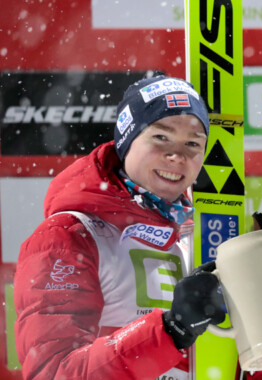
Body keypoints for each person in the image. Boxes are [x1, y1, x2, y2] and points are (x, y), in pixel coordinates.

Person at [14, 75, 227, 380]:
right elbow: (55, 372)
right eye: (160, 138)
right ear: (126, 142)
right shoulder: (67, 237)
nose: (177, 156)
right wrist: (171, 331)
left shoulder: (197, 240)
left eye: (193, 143)